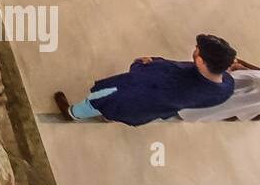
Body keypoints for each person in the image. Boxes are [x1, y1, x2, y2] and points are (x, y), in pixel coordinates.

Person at [54, 33, 237, 124]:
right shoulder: (226, 86)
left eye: (197, 50)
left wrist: (142, 64)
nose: (195, 51)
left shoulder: (167, 84)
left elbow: (139, 78)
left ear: (201, 61)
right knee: (116, 111)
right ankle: (109, 116)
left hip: (126, 94)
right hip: (151, 110)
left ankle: (72, 113)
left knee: (97, 100)